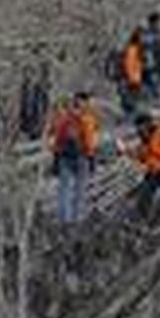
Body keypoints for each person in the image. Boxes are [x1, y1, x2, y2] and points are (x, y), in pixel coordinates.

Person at [48, 91, 101, 226]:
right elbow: (90, 141)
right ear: (86, 102)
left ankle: (64, 220)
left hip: (64, 156)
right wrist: (92, 158)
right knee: (80, 190)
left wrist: (56, 156)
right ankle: (77, 220)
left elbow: (56, 139)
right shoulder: (88, 118)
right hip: (81, 157)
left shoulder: (65, 118)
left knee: (64, 190)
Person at [141, 11, 160, 101]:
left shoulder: (159, 34)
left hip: (158, 63)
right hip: (150, 64)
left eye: (158, 22)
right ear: (151, 22)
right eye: (156, 22)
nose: (158, 24)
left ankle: (156, 98)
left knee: (158, 84)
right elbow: (147, 49)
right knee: (150, 83)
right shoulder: (148, 34)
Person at [18, 63, 51, 142]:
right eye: (25, 74)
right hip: (27, 122)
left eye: (29, 74)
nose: (28, 77)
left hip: (36, 121)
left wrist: (43, 120)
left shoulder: (38, 90)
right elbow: (22, 106)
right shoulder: (24, 89)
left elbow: (43, 105)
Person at [119, 29, 147, 118]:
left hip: (135, 78)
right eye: (141, 38)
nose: (143, 40)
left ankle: (133, 114)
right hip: (132, 79)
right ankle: (129, 115)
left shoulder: (137, 50)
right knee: (130, 98)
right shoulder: (132, 50)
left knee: (134, 98)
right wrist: (133, 79)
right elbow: (128, 65)